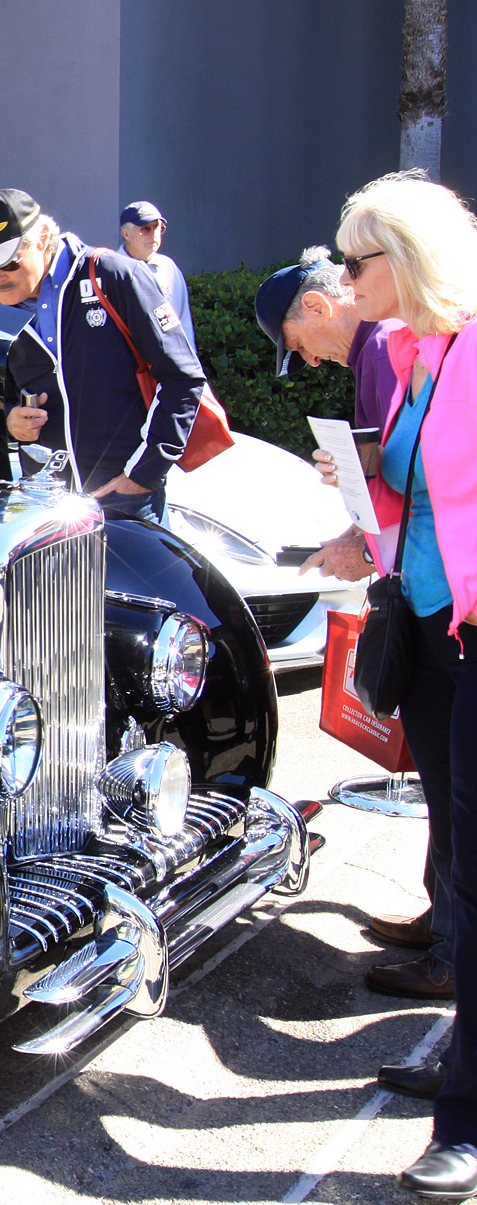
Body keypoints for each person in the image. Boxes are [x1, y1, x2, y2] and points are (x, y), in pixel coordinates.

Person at [300, 175, 477, 1201]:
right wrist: (357, 515)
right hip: (433, 633)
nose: (339, 275)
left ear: (401, 260)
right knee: (457, 863)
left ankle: (464, 1116)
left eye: (351, 260)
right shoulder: (414, 355)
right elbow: (419, 492)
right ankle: (462, 1064)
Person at [257, 248, 438, 997]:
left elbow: (414, 472)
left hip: (431, 589)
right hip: (421, 578)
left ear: (322, 308)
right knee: (438, 766)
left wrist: (358, 537)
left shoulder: (382, 352)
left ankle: (453, 940)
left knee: (448, 770)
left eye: (301, 345)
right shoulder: (389, 350)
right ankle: (446, 919)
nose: (313, 360)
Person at [0, 188, 206, 524]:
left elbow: (183, 377)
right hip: (44, 508)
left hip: (125, 500)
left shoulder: (114, 275)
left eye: (7, 261)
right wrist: (7, 420)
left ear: (43, 237)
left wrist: (142, 475)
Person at [119, 201, 197, 355]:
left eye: (157, 228)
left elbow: (183, 324)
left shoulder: (169, 268)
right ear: (126, 234)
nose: (153, 234)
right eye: (145, 228)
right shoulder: (111, 270)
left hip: (167, 368)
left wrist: (190, 369)